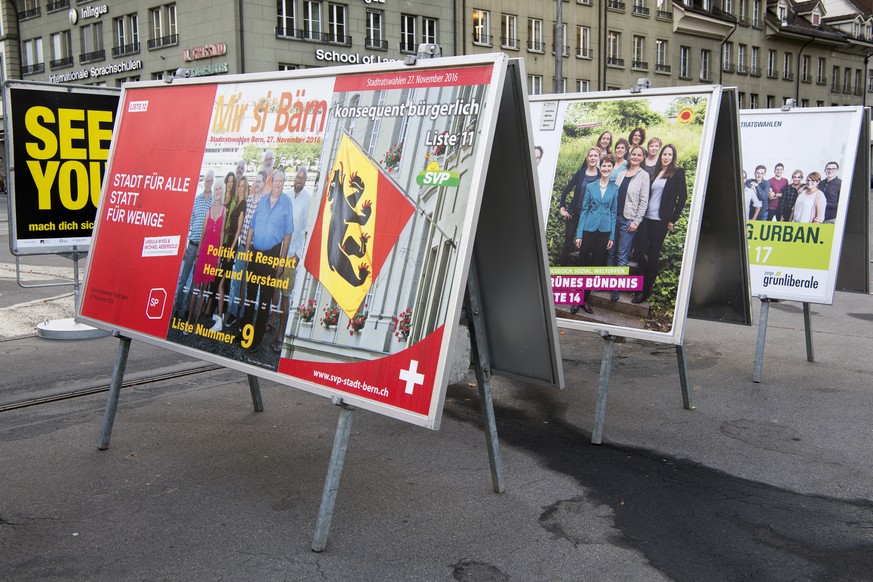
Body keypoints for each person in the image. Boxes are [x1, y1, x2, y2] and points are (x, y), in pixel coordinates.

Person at [242, 168, 294, 353]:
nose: (278, 184)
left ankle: (256, 340)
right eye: (276, 181)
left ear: (283, 183)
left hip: (272, 255)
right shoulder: (263, 200)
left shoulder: (286, 203)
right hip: (255, 252)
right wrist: (247, 249)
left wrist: (281, 261)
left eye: (281, 181)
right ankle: (245, 335)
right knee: (250, 295)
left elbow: (288, 234)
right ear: (272, 182)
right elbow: (251, 226)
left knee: (264, 300)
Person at [632, 144, 688, 304]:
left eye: (670, 154)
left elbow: (682, 197)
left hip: (660, 221)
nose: (666, 157)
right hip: (646, 219)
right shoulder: (656, 172)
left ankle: (645, 291)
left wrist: (672, 219)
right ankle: (640, 285)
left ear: (673, 157)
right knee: (639, 252)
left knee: (653, 254)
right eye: (664, 154)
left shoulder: (677, 173)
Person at [270, 166, 313, 353]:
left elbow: (305, 231)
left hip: (292, 253)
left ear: (305, 181)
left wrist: (298, 256)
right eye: (298, 177)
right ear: (294, 178)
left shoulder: (308, 201)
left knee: (286, 294)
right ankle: (271, 321)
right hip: (279, 250)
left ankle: (281, 334)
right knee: (274, 288)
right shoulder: (285, 195)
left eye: (303, 178)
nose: (300, 180)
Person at [571, 154, 618, 314]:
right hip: (589, 229)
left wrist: (611, 236)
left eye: (609, 166)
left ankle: (585, 300)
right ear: (600, 167)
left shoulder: (614, 189)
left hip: (604, 231)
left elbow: (613, 212)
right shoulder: (591, 186)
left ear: (612, 168)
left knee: (594, 266)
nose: (605, 169)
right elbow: (584, 210)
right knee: (583, 264)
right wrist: (579, 234)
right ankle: (576, 299)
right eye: (603, 165)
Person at [609, 145, 650, 302]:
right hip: (614, 218)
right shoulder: (621, 173)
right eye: (634, 154)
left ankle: (616, 288)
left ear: (642, 158)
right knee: (611, 252)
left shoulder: (643, 175)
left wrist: (636, 221)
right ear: (629, 155)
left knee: (622, 255)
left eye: (639, 155)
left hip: (628, 220)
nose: (636, 157)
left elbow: (643, 201)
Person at [227, 170, 268, 325]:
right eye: (255, 181)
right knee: (235, 283)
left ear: (264, 184)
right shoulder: (248, 200)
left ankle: (243, 316)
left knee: (247, 286)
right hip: (241, 248)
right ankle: (232, 312)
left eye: (260, 181)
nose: (257, 184)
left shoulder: (264, 204)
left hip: (253, 252)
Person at [184, 181, 226, 333]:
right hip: (203, 253)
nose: (218, 191)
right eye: (216, 189)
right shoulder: (208, 211)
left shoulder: (224, 211)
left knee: (205, 289)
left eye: (220, 188)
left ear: (223, 191)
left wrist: (220, 255)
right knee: (196, 286)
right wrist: (197, 253)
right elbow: (202, 234)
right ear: (213, 192)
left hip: (214, 255)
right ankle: (188, 321)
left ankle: (195, 323)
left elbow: (222, 233)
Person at [174, 170, 214, 315]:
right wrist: (184, 245)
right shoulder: (196, 200)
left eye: (211, 181)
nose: (209, 183)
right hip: (191, 246)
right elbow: (187, 223)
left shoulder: (213, 203)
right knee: (183, 279)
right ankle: (177, 308)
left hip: (203, 250)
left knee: (195, 283)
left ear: (213, 182)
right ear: (204, 181)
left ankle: (187, 310)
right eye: (207, 180)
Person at [557, 148, 601, 266]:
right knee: (568, 242)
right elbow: (566, 190)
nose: (592, 158)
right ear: (587, 158)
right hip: (574, 213)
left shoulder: (601, 176)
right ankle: (561, 273)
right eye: (590, 155)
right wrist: (562, 208)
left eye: (595, 156)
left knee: (585, 246)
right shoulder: (580, 173)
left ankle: (581, 275)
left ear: (599, 158)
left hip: (589, 216)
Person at [215, 174, 249, 328]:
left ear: (246, 188)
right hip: (227, 243)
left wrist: (231, 249)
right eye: (239, 185)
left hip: (232, 246)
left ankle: (221, 317)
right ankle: (219, 314)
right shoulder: (237, 203)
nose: (240, 188)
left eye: (243, 186)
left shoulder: (243, 205)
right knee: (221, 278)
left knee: (223, 280)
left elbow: (239, 230)